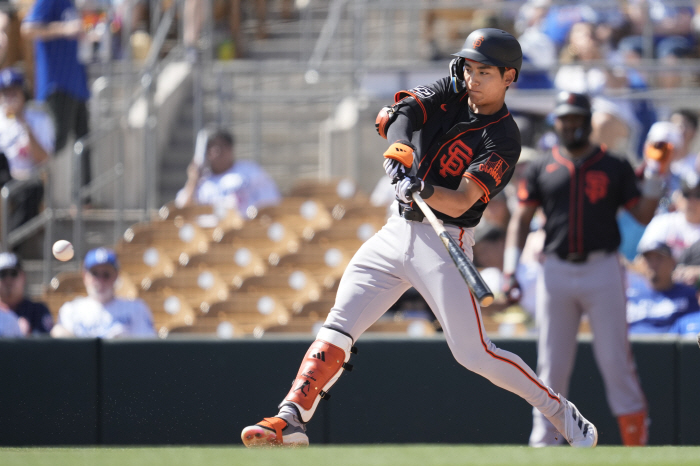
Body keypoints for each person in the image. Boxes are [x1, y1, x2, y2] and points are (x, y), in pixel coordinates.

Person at [241, 28, 598, 449]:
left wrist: (422, 189)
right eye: (470, 67)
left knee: (474, 353)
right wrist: (402, 152)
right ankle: (292, 418)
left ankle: (559, 410)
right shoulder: (452, 87)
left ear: (509, 77)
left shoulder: (504, 138)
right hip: (397, 230)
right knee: (339, 323)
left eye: (485, 71)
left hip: (444, 239)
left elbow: (463, 197)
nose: (473, 78)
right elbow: (403, 114)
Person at [503, 91, 662, 446]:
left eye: (577, 117)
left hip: (602, 268)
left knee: (615, 362)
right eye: (565, 118)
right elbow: (521, 219)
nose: (571, 124)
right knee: (550, 366)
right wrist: (510, 270)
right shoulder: (543, 164)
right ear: (555, 121)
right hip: (555, 270)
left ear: (588, 121)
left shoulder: (614, 164)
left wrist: (655, 176)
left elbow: (643, 214)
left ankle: (636, 447)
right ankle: (544, 443)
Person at [21, 0, 91, 193]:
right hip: (57, 84)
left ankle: (84, 199)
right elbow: (28, 29)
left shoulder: (71, 3)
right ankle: (27, 186)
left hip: (77, 81)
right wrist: (64, 29)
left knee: (84, 143)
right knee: (54, 143)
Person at [50, 247, 155, 338]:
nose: (100, 281)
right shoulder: (70, 310)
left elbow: (147, 347)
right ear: (85, 276)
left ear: (116, 276)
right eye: (95, 274)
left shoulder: (136, 309)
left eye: (106, 274)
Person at [175, 128, 280, 217]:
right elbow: (180, 212)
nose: (216, 151)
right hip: (208, 236)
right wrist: (193, 180)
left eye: (221, 146)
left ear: (231, 149)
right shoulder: (201, 182)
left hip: (245, 232)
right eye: (211, 148)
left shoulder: (250, 171)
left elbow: (271, 204)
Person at [0, 67, 55, 229]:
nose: (10, 98)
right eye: (5, 93)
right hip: (3, 176)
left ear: (24, 93)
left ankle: (10, 250)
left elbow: (43, 158)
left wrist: (23, 123)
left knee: (33, 191)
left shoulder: (39, 118)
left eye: (14, 93)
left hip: (26, 179)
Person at [627, 242, 700, 334]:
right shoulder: (629, 292)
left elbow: (693, 325)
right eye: (648, 259)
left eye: (659, 258)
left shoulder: (688, 294)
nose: (653, 264)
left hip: (668, 346)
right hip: (631, 345)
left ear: (673, 262)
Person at [637, 172, 700, 261]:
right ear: (678, 197)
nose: (691, 200)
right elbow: (643, 260)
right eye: (686, 194)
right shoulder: (662, 222)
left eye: (698, 195)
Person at [0, 251, 52, 335]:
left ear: (23, 276)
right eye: (2, 274)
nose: (8, 280)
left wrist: (26, 335)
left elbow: (46, 344)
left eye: (13, 273)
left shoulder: (37, 311)